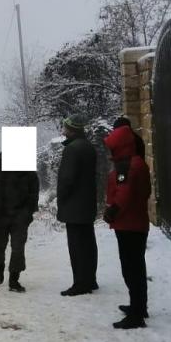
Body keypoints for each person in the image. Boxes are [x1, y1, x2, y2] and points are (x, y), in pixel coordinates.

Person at [103, 123, 152, 329]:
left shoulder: (129, 166)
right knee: (134, 267)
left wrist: (112, 210)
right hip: (133, 222)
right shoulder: (136, 162)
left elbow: (124, 193)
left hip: (129, 224)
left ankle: (137, 314)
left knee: (131, 268)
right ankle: (138, 307)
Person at [0, 153, 39, 293]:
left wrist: (28, 212)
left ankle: (14, 280)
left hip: (20, 216)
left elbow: (34, 192)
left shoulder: (28, 171)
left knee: (18, 248)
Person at [56, 113, 99, 296]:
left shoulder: (72, 149)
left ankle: (80, 283)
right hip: (87, 203)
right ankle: (90, 279)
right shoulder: (88, 147)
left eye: (65, 126)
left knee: (77, 246)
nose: (63, 129)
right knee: (88, 243)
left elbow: (67, 179)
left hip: (74, 206)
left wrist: (62, 199)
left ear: (71, 129)